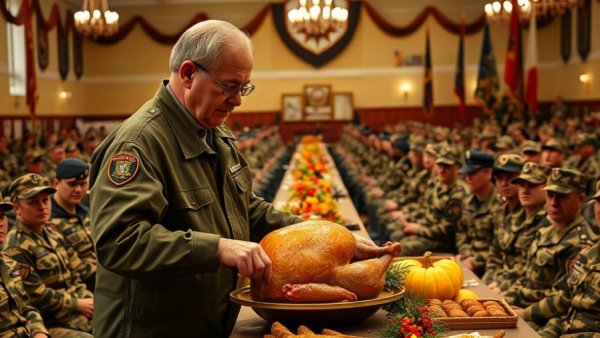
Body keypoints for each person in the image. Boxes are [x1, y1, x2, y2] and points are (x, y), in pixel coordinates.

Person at [87, 20, 305, 337]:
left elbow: (244, 209)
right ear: (189, 74)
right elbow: (120, 242)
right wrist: (216, 248)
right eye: (229, 86)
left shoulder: (213, 132)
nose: (238, 99)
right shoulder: (138, 144)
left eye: (243, 87)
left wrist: (314, 231)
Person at [3, 173, 93, 337]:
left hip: (77, 313)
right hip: (51, 322)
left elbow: (74, 274)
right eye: (33, 202)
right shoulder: (15, 247)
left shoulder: (53, 232)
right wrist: (76, 304)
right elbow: (37, 295)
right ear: (17, 208)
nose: (42, 207)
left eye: (45, 200)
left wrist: (89, 299)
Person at [0, 193, 50, 338]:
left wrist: (39, 332)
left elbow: (27, 308)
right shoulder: (15, 247)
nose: (1, 223)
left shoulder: (8, 262)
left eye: (2, 216)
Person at [50, 158, 96, 291]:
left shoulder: (86, 208)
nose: (78, 189)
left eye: (83, 184)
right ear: (56, 184)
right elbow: (76, 267)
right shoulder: (49, 220)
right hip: (83, 287)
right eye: (72, 184)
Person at [455, 150, 502, 276]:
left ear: (488, 173)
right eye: (466, 174)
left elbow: (499, 246)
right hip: (467, 261)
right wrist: (466, 255)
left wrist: (475, 260)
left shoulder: (500, 204)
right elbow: (461, 234)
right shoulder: (467, 201)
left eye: (473, 173)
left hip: (489, 266)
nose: (468, 178)